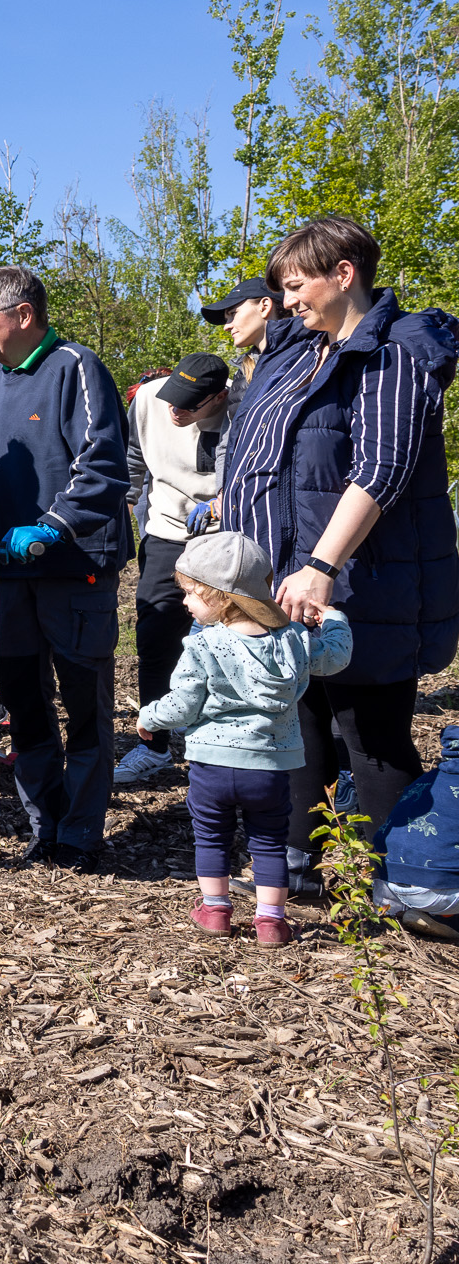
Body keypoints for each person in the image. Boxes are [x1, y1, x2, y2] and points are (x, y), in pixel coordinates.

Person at [215, 215, 459, 901]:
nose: (287, 301)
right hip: (284, 577)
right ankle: (295, 865)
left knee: (370, 737)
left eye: (296, 285)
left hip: (360, 583)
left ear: (342, 275)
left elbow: (382, 468)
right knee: (295, 720)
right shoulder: (303, 354)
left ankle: (410, 880)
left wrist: (320, 567)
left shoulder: (395, 354)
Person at [0, 265, 132, 871]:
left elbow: (103, 463)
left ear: (22, 315)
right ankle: (46, 822)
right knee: (22, 700)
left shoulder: (76, 367)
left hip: (74, 569)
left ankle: (80, 831)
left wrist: (52, 526)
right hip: (6, 574)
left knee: (85, 704)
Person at [136, 532, 352, 948]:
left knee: (212, 837)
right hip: (270, 768)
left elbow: (182, 705)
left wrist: (150, 718)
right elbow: (336, 657)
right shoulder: (294, 640)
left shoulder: (203, 646)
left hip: (212, 767)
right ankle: (271, 922)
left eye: (192, 594)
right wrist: (336, 621)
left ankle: (215, 910)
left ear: (222, 597)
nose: (185, 602)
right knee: (269, 841)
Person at [117, 353, 230, 785]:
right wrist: (126, 510)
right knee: (155, 636)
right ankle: (154, 744)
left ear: (218, 397)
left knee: (227, 641)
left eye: (188, 405)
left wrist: (225, 502)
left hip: (224, 537)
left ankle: (219, 741)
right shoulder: (148, 399)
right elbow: (131, 460)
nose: (174, 411)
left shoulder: (242, 411)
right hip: (165, 531)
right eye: (171, 399)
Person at [372, 726, 459, 937]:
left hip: (385, 883)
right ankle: (446, 917)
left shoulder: (428, 781)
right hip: (437, 891)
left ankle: (404, 910)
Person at [200, 278, 285, 425]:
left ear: (264, 306)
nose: (226, 326)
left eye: (233, 313)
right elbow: (231, 439)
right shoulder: (243, 371)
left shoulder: (310, 356)